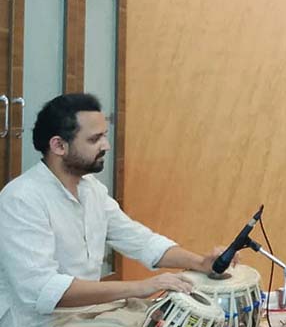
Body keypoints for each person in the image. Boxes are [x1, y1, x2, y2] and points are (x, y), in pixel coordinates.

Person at [0, 93, 227, 327]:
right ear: (59, 145)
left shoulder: (92, 190)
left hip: (93, 312)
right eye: (94, 139)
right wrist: (140, 287)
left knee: (178, 315)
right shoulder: (21, 199)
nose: (106, 145)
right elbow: (43, 290)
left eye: (105, 136)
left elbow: (142, 241)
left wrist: (201, 263)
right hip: (41, 321)